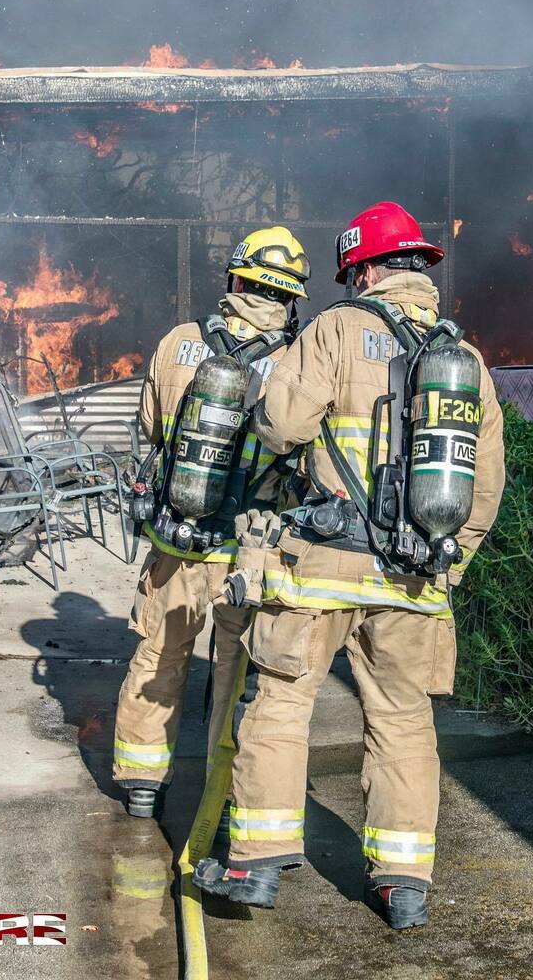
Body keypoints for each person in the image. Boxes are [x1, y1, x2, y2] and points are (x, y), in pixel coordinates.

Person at [193, 202, 505, 929]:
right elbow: (483, 483)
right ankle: (402, 886)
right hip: (416, 579)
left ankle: (256, 867)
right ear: (418, 268)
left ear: (361, 269)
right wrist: (446, 571)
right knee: (402, 724)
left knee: (279, 705)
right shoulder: (464, 359)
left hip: (319, 569)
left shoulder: (335, 328)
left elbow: (282, 425)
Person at [113, 227, 310, 819]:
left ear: (233, 281)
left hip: (176, 536)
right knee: (238, 673)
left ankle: (142, 785)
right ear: (290, 297)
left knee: (158, 656)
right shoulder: (297, 359)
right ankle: (223, 799)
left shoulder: (179, 342)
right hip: (248, 549)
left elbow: (151, 428)